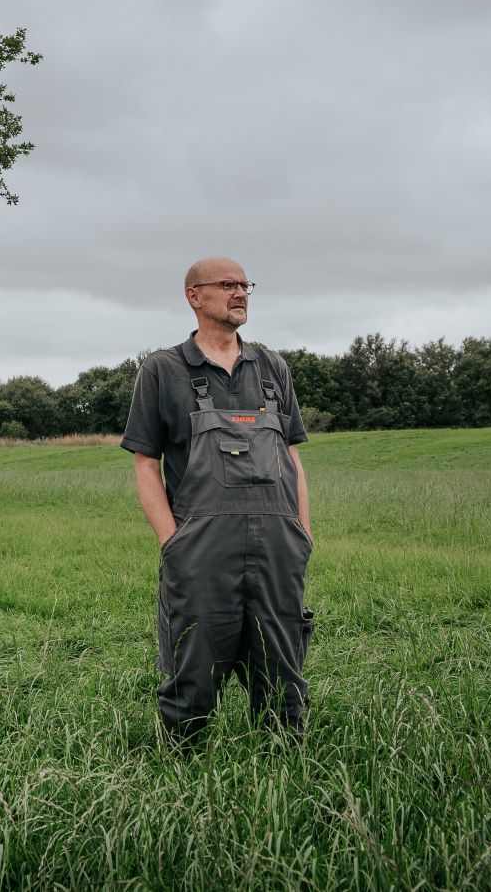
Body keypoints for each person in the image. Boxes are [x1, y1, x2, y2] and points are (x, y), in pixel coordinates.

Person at [121, 256, 312, 743]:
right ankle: (184, 774)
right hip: (201, 548)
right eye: (227, 284)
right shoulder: (164, 370)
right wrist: (172, 541)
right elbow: (145, 464)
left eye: (245, 284)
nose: (240, 293)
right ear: (194, 296)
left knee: (282, 668)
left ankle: (284, 768)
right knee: (194, 670)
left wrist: (303, 534)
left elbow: (292, 457)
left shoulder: (271, 368)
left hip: (277, 546)